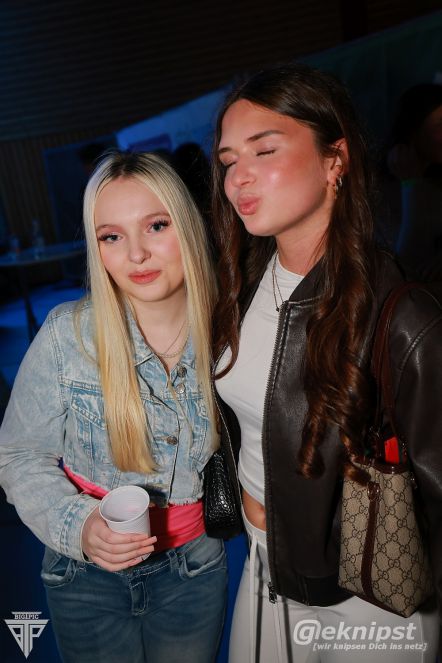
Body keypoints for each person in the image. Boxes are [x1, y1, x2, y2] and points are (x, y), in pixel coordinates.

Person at [210, 63, 441, 662]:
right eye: (229, 160)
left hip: (370, 591)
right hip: (264, 564)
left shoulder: (403, 315)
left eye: (264, 150)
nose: (239, 177)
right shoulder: (240, 286)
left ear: (335, 159)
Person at [0, 151, 226, 663]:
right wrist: (78, 524)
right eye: (112, 237)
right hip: (85, 578)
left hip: (194, 571)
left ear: (187, 225)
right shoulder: (67, 335)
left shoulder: (230, 333)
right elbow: (17, 455)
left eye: (156, 225)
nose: (137, 254)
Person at [385, 83, 442, 279]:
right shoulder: (382, 190)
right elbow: (405, 260)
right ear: (413, 130)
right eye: (440, 125)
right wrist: (411, 185)